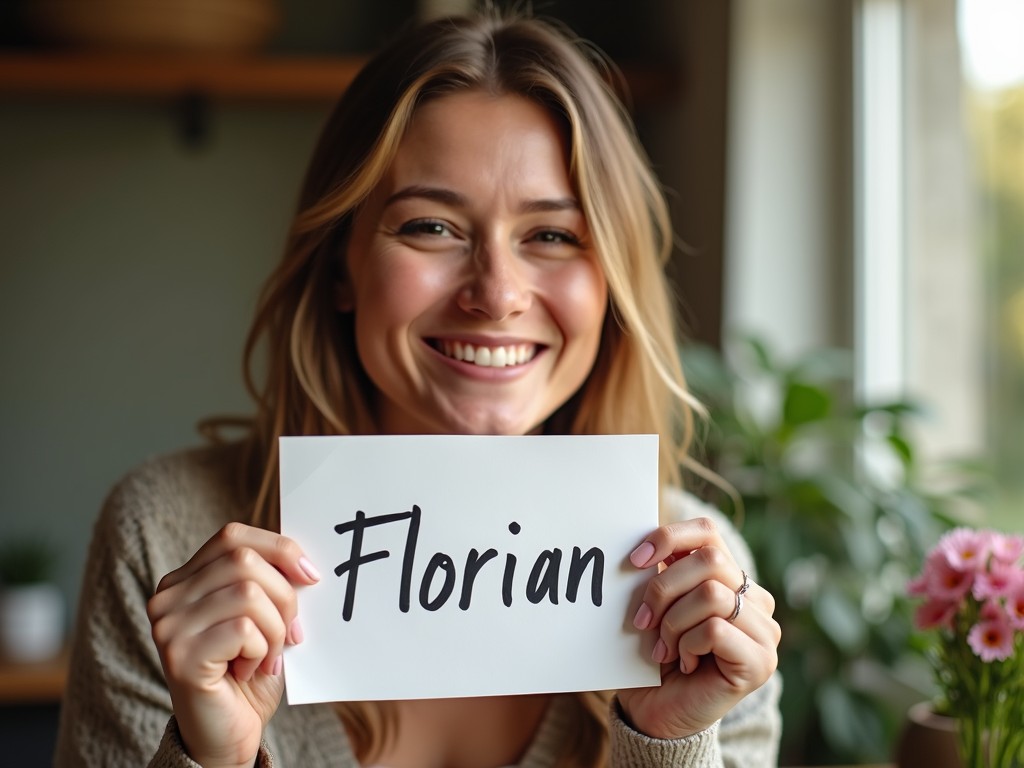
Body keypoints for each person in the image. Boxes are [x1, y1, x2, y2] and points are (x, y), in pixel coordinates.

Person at [55, 9, 781, 768]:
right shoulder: (167, 539)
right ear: (342, 265)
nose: (496, 294)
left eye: (553, 236)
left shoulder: (702, 600)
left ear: (612, 286)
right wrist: (212, 759)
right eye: (432, 227)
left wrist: (670, 746)